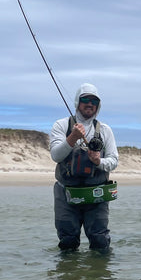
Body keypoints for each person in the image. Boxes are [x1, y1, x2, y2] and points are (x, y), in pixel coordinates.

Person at [50, 83, 119, 251]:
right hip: (66, 193)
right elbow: (56, 155)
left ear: (98, 105)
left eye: (94, 101)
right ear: (77, 102)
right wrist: (72, 137)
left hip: (96, 195)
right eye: (85, 99)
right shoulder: (61, 125)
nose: (90, 104)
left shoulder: (105, 130)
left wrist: (98, 161)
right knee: (67, 241)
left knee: (100, 241)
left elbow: (113, 160)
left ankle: (98, 274)